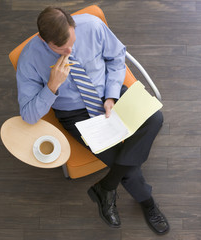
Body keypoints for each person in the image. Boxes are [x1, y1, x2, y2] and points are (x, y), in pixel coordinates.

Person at [16, 6, 169, 235]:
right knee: (127, 167)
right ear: (43, 40)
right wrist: (52, 86)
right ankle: (148, 203)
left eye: (72, 43)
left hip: (109, 92)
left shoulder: (93, 26)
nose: (69, 50)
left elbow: (117, 56)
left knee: (155, 118)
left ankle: (106, 187)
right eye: (60, 48)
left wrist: (111, 95)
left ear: (73, 26)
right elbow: (28, 115)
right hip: (75, 113)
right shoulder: (29, 59)